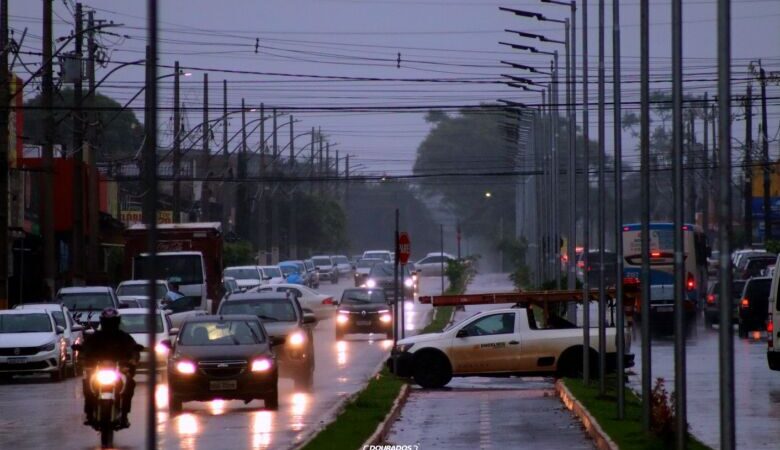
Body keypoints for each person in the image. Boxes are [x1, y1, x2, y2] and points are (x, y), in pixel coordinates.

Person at [80, 308, 140, 429]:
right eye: (107, 322)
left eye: (112, 322)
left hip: (118, 370)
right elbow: (85, 349)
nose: (110, 325)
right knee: (87, 383)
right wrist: (84, 357)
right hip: (98, 370)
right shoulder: (95, 337)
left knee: (130, 383)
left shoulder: (124, 337)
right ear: (102, 322)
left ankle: (124, 415)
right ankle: (89, 413)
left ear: (117, 322)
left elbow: (133, 350)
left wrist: (132, 360)